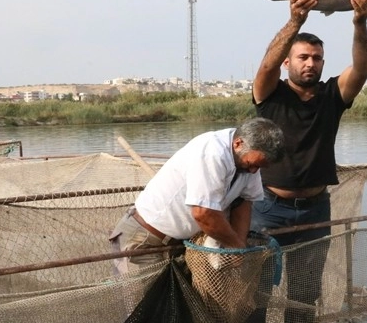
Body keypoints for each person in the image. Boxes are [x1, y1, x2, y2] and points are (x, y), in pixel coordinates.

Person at [236, 0, 367, 323]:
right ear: (288, 62)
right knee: (258, 291)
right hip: (268, 208)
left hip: (315, 210)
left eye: (316, 58)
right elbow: (265, 67)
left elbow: (361, 68)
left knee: (304, 293)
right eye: (302, 57)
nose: (309, 63)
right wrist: (295, 22)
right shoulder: (271, 95)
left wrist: (359, 23)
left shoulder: (333, 96)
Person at [109, 117, 285, 274]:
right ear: (238, 143)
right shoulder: (212, 152)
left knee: (179, 306)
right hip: (145, 240)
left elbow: (244, 202)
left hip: (180, 243)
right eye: (251, 164)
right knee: (145, 308)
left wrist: (238, 247)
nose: (254, 171)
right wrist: (236, 246)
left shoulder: (249, 163)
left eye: (260, 167)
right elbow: (204, 213)